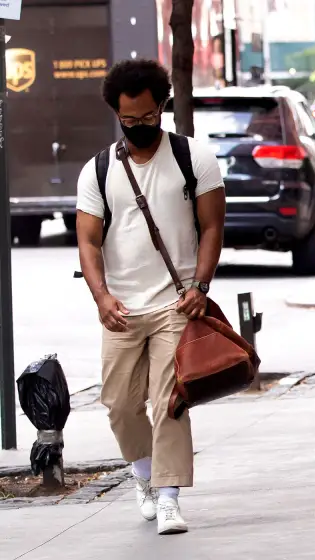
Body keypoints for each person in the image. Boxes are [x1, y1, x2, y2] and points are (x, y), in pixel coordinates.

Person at [75, 60, 226, 535]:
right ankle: (143, 475)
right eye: (128, 121)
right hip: (121, 307)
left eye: (146, 118)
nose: (138, 128)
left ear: (161, 107)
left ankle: (168, 496)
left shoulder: (192, 158)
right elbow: (89, 241)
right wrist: (101, 296)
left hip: (176, 303)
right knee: (120, 404)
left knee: (170, 402)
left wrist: (200, 285)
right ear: (116, 114)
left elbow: (212, 226)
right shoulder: (98, 171)